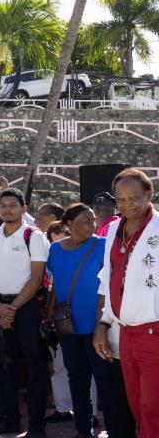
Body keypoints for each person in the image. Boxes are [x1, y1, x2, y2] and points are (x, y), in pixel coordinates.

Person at [93, 168, 159, 436]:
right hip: (124, 332)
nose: (126, 204)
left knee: (151, 407)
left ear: (149, 195)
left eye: (133, 198)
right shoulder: (111, 230)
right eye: (121, 200)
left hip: (153, 331)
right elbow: (108, 278)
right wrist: (104, 323)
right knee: (136, 406)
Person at [0, 189, 50, 437]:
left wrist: (12, 309)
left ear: (24, 209)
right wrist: (0, 308)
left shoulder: (34, 236)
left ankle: (36, 426)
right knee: (3, 366)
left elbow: (37, 278)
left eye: (13, 205)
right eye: (3, 205)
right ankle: (9, 420)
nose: (7, 209)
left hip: (26, 308)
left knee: (34, 368)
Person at [47, 203, 114, 438]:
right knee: (77, 379)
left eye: (94, 220)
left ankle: (114, 430)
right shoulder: (55, 249)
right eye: (87, 220)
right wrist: (51, 312)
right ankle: (83, 430)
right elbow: (54, 284)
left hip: (99, 328)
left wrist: (102, 323)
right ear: (71, 225)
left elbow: (109, 285)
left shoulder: (103, 246)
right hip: (68, 326)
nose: (93, 224)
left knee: (105, 380)